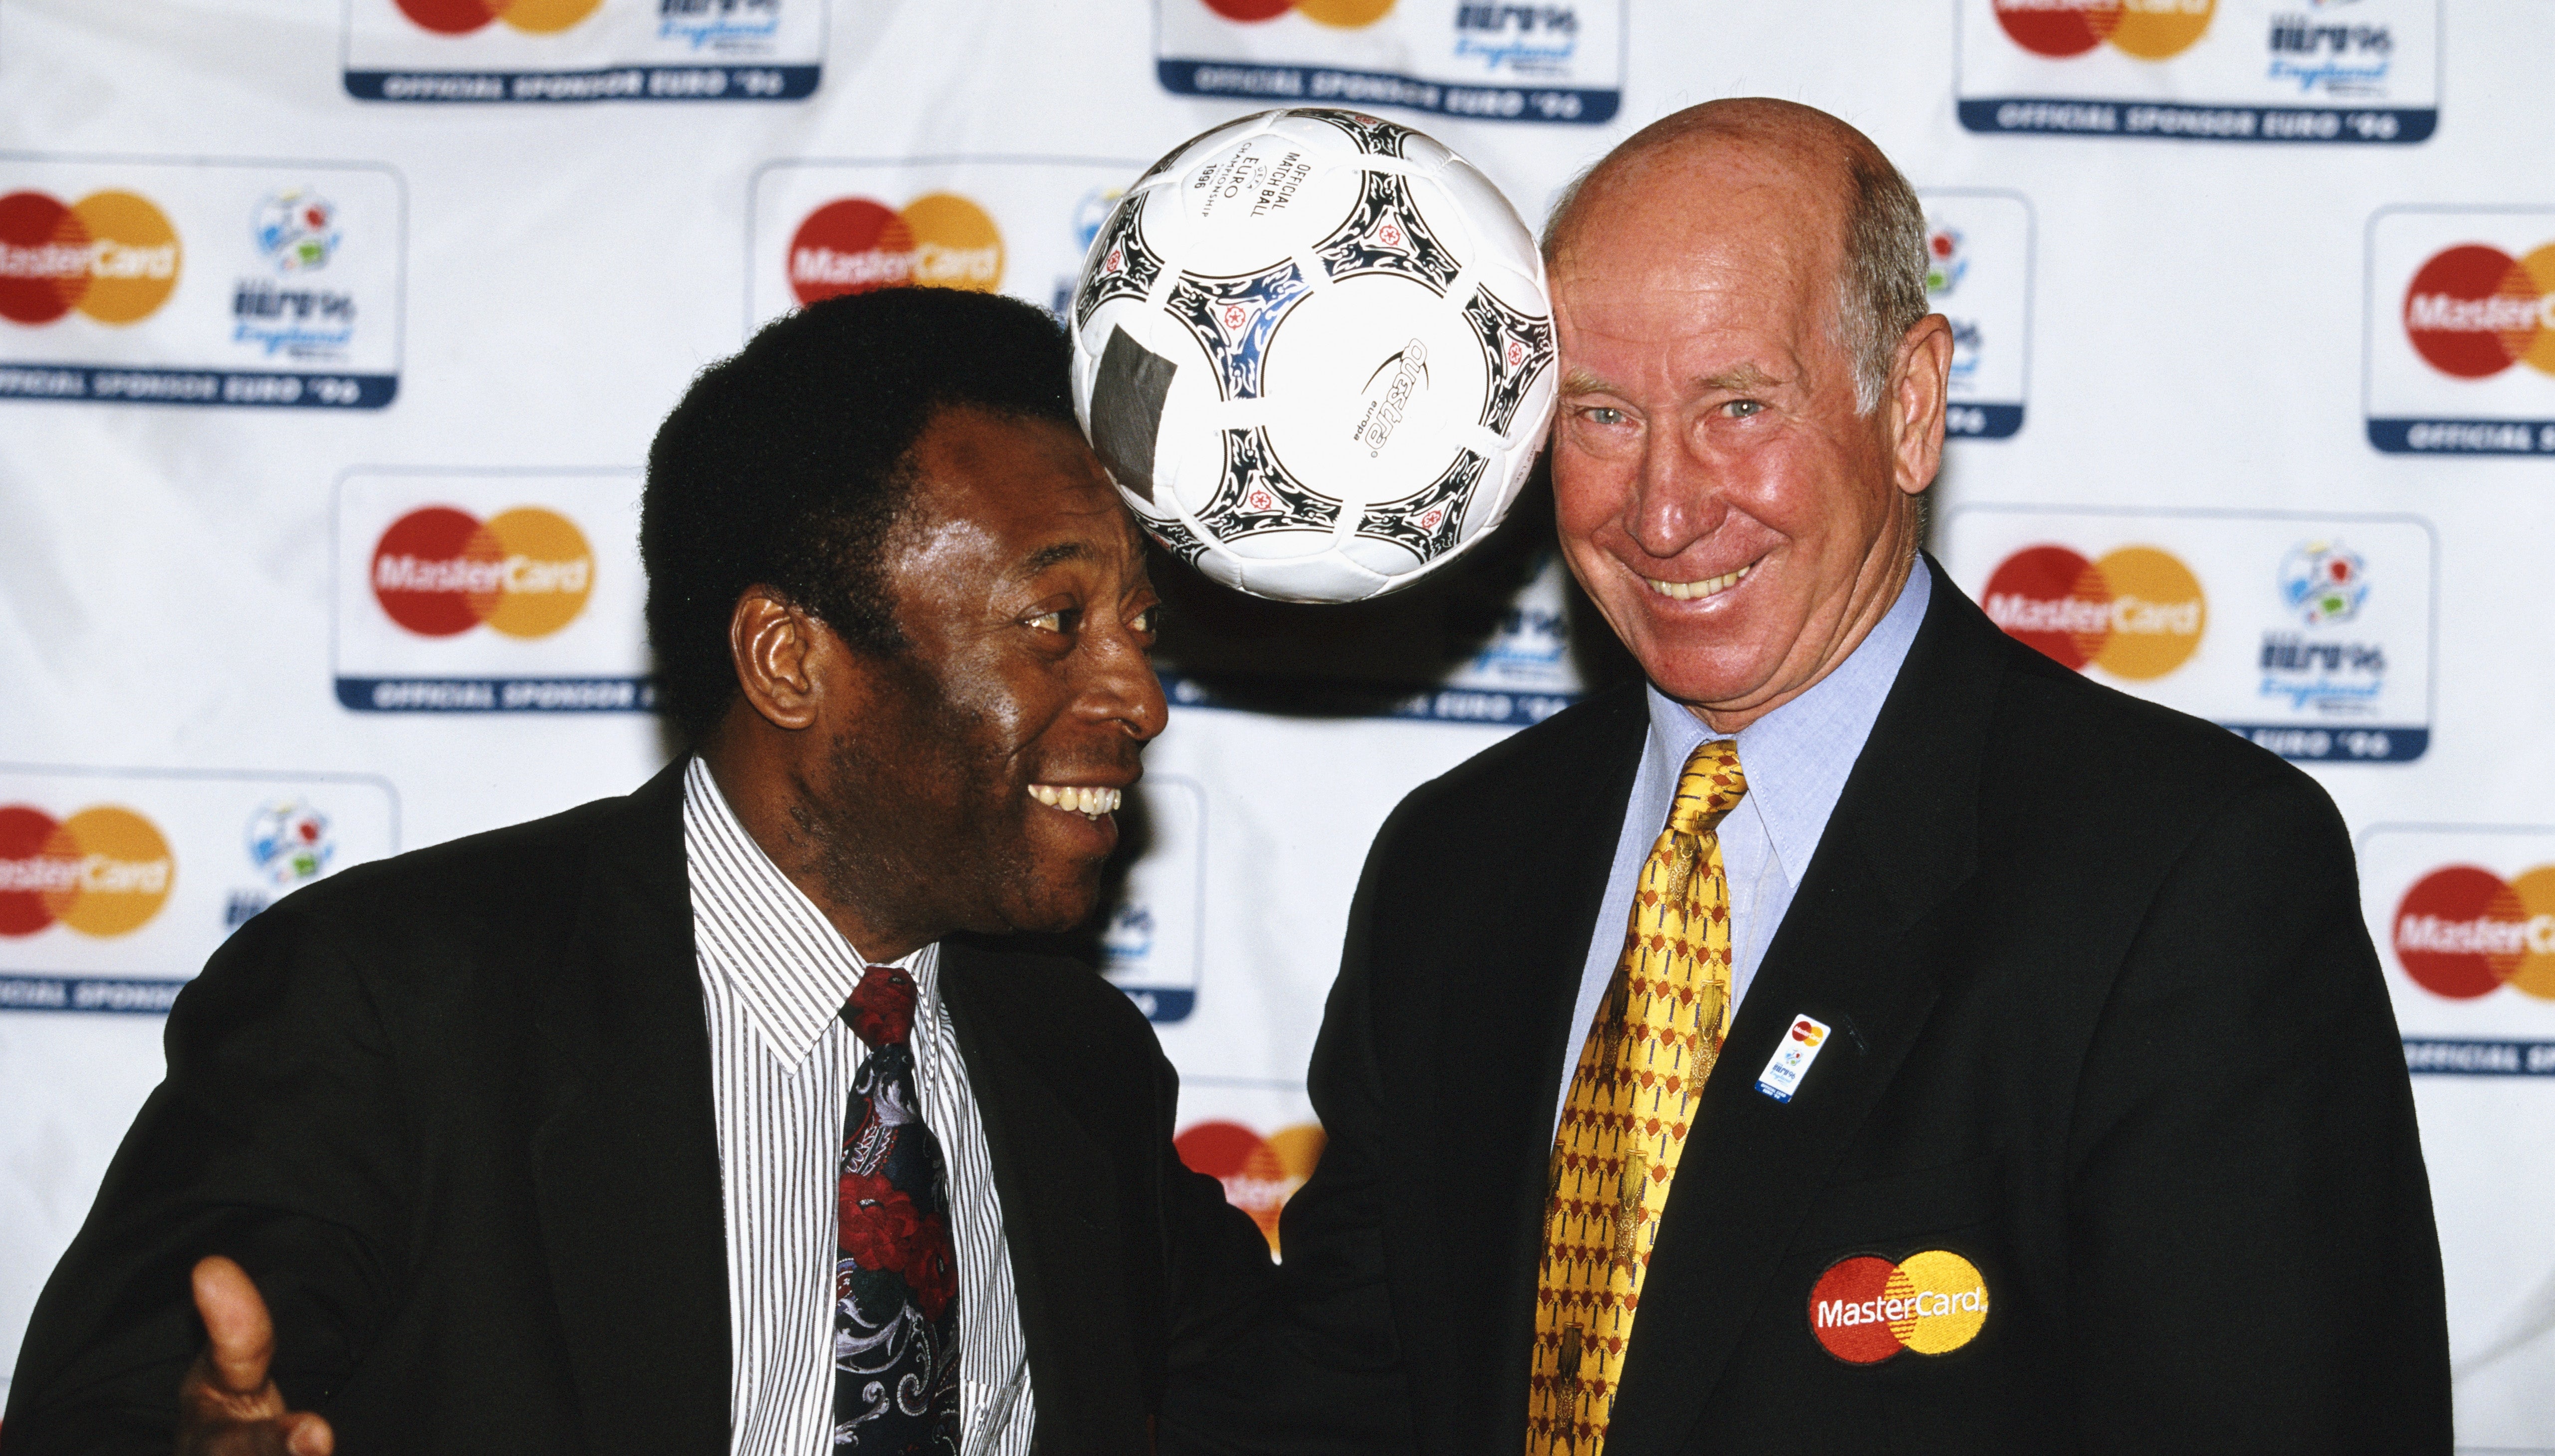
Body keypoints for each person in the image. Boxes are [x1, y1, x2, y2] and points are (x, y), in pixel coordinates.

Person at [1165, 98, 2452, 1454]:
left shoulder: (2184, 880)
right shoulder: (1457, 861)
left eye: (1738, 406)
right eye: (1603, 415)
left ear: (1907, 408)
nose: (1664, 509)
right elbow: (1348, 1398)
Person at [1, 288, 1276, 1456]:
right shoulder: (391, 1003)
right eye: (1056, 621)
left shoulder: (1079, 1059)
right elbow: (115, 1408)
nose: (1141, 696)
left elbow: (1297, 1391)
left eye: (1140, 626)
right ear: (787, 660)